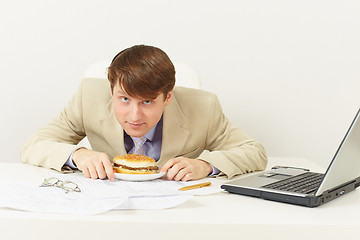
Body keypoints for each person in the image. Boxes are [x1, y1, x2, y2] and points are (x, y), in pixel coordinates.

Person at [21, 45, 267, 182]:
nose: (134, 115)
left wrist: (205, 165)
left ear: (167, 97)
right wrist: (78, 155)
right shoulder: (88, 96)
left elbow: (254, 152)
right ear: (111, 91)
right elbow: (34, 144)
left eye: (147, 102)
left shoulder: (204, 107)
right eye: (124, 99)